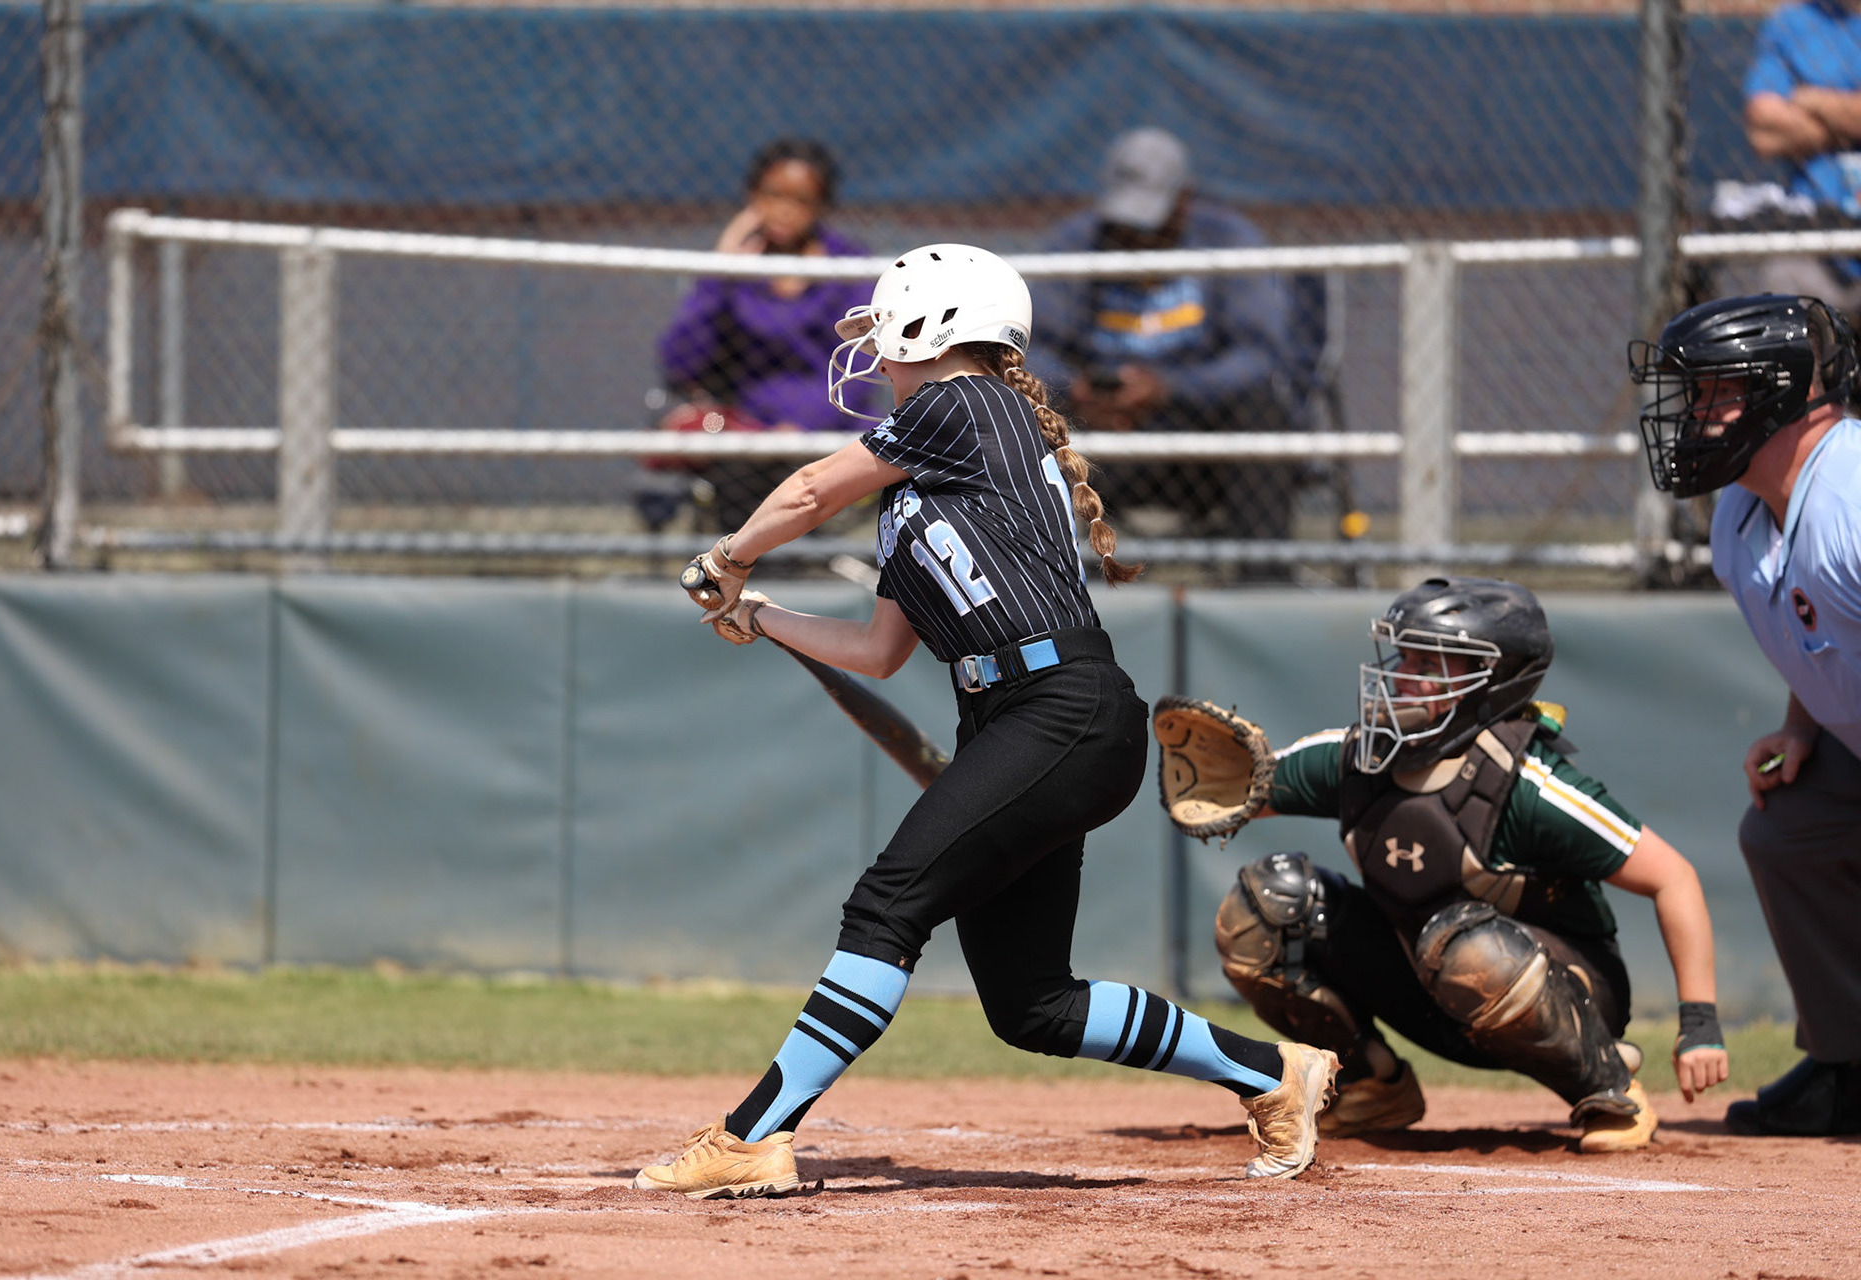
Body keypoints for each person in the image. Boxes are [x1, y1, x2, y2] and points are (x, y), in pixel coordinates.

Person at [633, 244, 1337, 1200]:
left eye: (890, 329)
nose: (877, 352)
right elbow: (882, 650)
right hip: (1020, 719)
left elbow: (806, 492)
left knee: (887, 907)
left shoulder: (963, 404)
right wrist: (754, 616)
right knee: (1032, 1004)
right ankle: (1273, 1073)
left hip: (1059, 710)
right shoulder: (925, 484)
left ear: (935, 327)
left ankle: (756, 1131)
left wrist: (728, 557)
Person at [1212, 576, 1730, 1153]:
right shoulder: (1361, 755)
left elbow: (1673, 877)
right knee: (1264, 904)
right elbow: (1239, 790)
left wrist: (1700, 1026)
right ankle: (1369, 1085)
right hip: (1432, 985)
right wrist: (1204, 785)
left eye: (1430, 663)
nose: (1403, 675)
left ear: (1495, 683)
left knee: (1464, 945)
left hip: (1560, 991)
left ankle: (1608, 1085)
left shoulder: (1530, 784)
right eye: (1403, 654)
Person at [1631, 291, 1861, 1137]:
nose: (1694, 414)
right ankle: (1847, 1065)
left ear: (1783, 390)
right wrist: (1803, 728)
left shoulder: (1852, 501)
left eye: (1712, 392)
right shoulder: (1740, 512)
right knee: (1786, 828)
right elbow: (1828, 631)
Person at [1026, 127, 1306, 553]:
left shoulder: (1228, 239)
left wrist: (1167, 389)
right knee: (1021, 406)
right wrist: (1078, 390)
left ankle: (1262, 583)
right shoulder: (1076, 243)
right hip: (1097, 438)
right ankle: (1042, 589)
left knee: (1262, 408)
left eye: (1149, 223)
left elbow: (1259, 356)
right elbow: (1030, 348)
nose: (1137, 238)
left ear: (1183, 201)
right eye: (1125, 224)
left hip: (1197, 441)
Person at [652, 137, 878, 530]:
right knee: (741, 466)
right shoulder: (733, 274)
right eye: (772, 195)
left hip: (824, 433)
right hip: (743, 433)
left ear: (822, 205)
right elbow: (679, 362)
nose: (784, 210)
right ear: (751, 196)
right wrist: (720, 273)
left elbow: (858, 371)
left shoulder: (848, 269)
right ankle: (738, 572)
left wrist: (799, 427)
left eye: (802, 200)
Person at [1741, 0, 1861, 320]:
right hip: (1814, 235)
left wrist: (1812, 98)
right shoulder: (1791, 23)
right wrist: (1848, 121)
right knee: (1785, 289)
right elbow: (1763, 130)